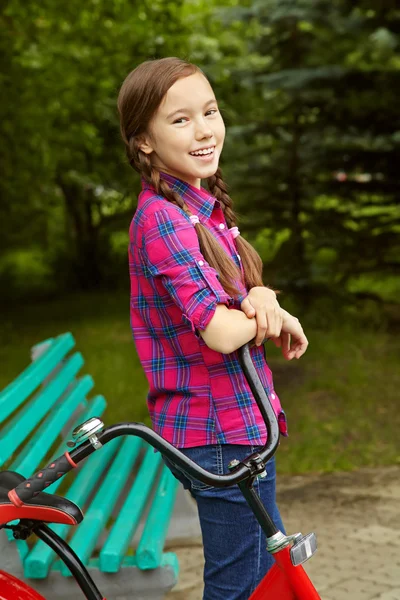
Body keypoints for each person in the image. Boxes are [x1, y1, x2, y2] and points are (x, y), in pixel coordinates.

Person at [118, 57, 308, 600]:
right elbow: (221, 331)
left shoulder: (200, 210)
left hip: (241, 429)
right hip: (217, 436)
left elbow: (235, 300)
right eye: (180, 120)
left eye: (210, 111)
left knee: (257, 576)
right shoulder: (162, 219)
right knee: (236, 585)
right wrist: (261, 306)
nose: (204, 129)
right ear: (144, 140)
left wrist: (267, 300)